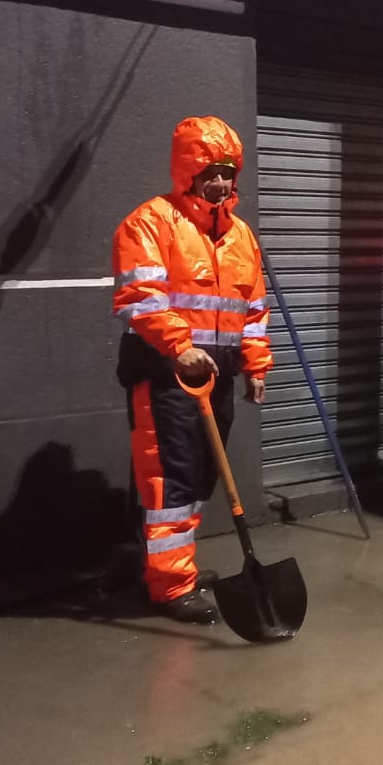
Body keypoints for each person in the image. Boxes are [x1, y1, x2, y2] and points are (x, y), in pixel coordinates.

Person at [112, 116, 272, 623]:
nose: (220, 182)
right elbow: (140, 298)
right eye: (210, 172)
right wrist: (178, 346)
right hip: (165, 373)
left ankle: (176, 566)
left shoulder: (240, 234)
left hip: (216, 375)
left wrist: (256, 365)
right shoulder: (150, 222)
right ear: (188, 172)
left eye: (227, 172)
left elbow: (253, 308)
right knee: (170, 481)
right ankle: (170, 585)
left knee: (201, 474)